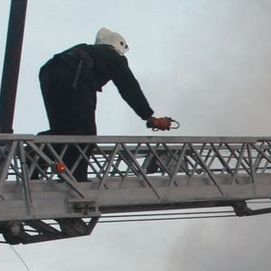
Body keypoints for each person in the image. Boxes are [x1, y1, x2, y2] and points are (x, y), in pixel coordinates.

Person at [39, 28, 173, 180]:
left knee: (64, 132)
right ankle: (77, 180)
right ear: (118, 46)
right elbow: (128, 86)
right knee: (84, 135)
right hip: (75, 75)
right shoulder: (112, 55)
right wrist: (149, 116)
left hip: (48, 74)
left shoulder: (86, 52)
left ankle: (37, 159)